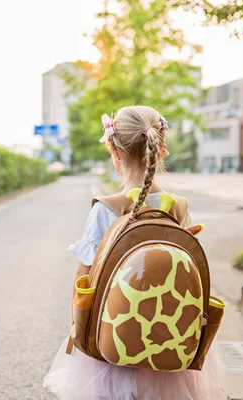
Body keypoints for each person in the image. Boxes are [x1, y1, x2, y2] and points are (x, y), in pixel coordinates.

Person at [43, 106, 227, 400]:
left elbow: (84, 274)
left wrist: (78, 327)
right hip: (168, 337)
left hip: (116, 334)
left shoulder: (107, 208)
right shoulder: (179, 207)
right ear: (162, 149)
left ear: (115, 154)